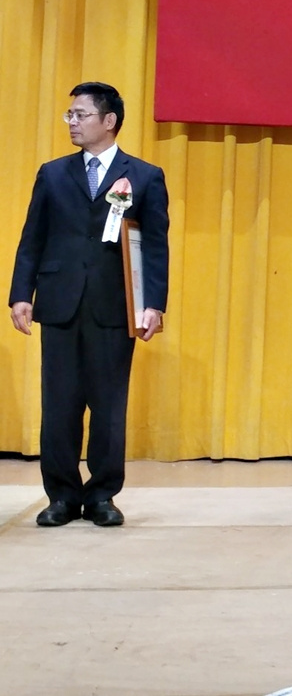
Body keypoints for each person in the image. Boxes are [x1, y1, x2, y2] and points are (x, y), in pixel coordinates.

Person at [9, 82, 169, 528]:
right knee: (58, 404)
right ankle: (60, 495)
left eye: (80, 115)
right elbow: (32, 239)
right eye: (70, 116)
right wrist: (21, 293)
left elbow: (155, 245)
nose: (73, 123)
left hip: (115, 307)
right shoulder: (53, 173)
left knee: (108, 406)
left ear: (109, 121)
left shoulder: (144, 176)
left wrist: (153, 303)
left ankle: (102, 495)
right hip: (59, 303)